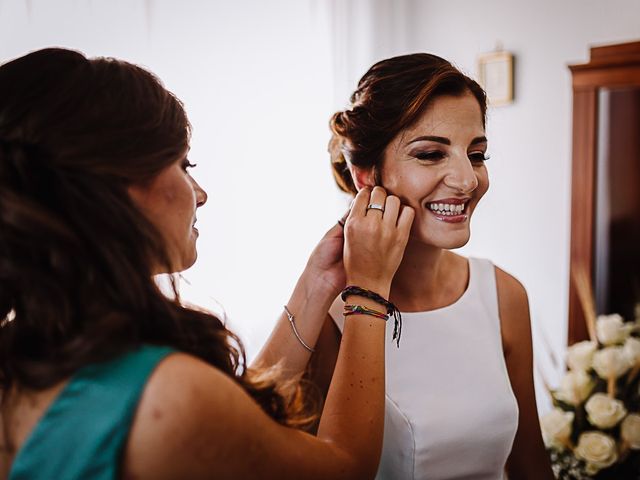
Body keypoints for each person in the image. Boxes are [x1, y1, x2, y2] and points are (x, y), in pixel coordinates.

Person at [0, 48, 415, 479]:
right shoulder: (171, 397)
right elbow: (345, 468)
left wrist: (317, 283)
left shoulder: (26, 359)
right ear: (120, 191)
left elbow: (240, 420)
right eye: (184, 165)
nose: (199, 193)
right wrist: (369, 289)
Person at [259, 53, 555, 479]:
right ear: (366, 176)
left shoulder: (503, 294)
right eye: (432, 154)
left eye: (476, 155)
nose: (467, 180)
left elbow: (530, 463)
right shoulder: (327, 319)